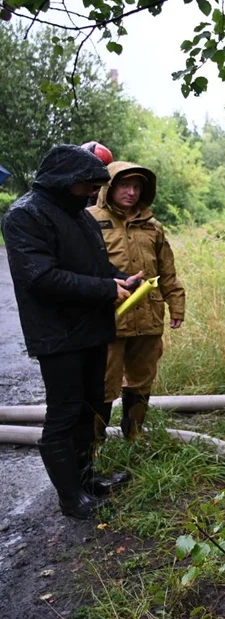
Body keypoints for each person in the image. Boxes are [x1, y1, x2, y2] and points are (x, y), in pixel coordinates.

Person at [1, 144, 140, 519]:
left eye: (97, 186)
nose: (95, 194)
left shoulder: (79, 215)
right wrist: (105, 289)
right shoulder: (24, 215)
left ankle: (87, 479)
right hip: (57, 334)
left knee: (91, 408)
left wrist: (121, 279)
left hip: (92, 328)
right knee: (63, 414)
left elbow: (96, 267)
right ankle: (70, 497)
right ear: (66, 180)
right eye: (89, 186)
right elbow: (41, 278)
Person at [88, 162, 185, 440]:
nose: (131, 192)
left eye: (137, 186)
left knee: (142, 379)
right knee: (103, 382)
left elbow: (167, 271)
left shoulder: (153, 226)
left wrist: (176, 305)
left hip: (148, 316)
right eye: (124, 185)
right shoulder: (89, 220)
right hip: (108, 316)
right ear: (109, 187)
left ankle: (133, 435)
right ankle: (94, 445)